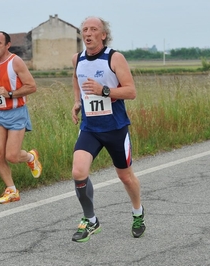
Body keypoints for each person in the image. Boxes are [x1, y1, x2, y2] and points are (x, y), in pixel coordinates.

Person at [70, 17, 146, 242]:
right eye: (85, 30)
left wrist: (104, 91)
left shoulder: (114, 57)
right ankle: (90, 220)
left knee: (125, 176)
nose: (88, 33)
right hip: (90, 128)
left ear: (103, 35)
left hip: (115, 128)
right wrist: (76, 102)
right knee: (78, 172)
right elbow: (76, 80)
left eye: (94, 29)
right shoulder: (77, 59)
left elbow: (131, 91)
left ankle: (138, 213)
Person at [0, 31, 42, 204]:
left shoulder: (15, 62)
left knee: (11, 156)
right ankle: (12, 190)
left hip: (16, 114)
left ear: (7, 45)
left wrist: (10, 94)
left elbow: (32, 87)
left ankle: (31, 158)